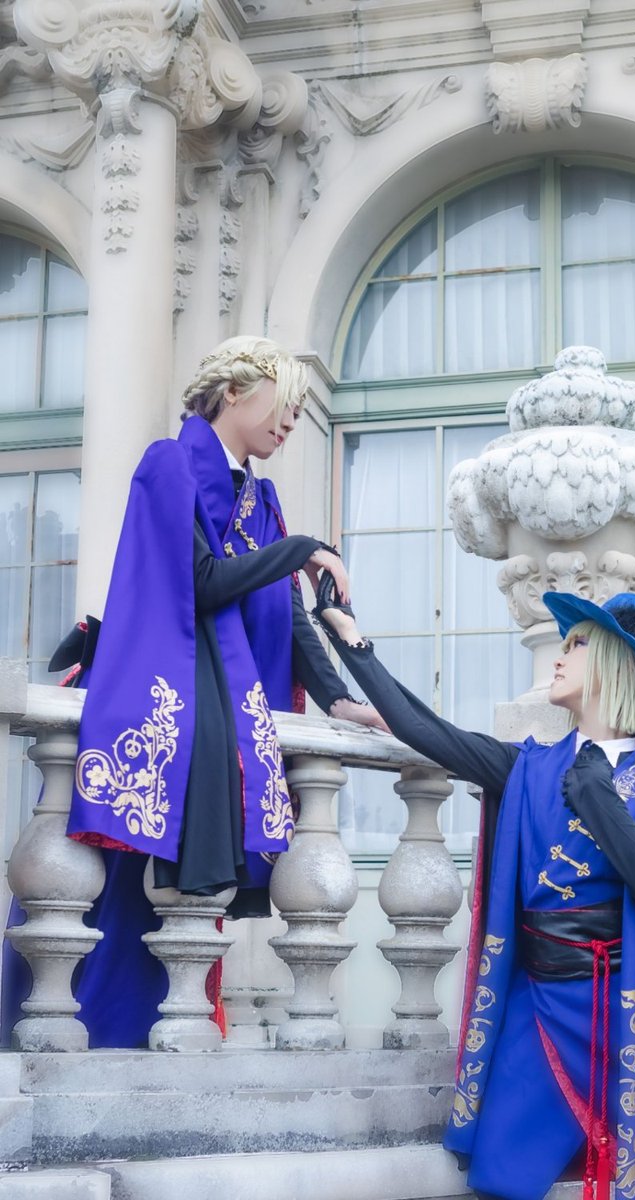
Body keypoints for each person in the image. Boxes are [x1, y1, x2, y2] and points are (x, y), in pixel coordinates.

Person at [311, 576, 635, 1200]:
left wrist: (595, 790)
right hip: (541, 1005)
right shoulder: (525, 766)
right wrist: (352, 641)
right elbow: (425, 729)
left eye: (577, 644)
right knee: (500, 1174)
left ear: (615, 666)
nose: (560, 655)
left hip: (626, 1012)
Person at [3, 336, 386, 1049]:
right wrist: (300, 549)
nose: (291, 420)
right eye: (284, 403)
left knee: (176, 900)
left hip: (217, 712)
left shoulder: (260, 497)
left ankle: (153, 1036)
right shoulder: (169, 463)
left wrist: (338, 698)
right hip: (163, 700)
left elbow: (288, 615)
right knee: (116, 889)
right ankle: (91, 1038)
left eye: (300, 409)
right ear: (235, 391)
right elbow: (201, 583)